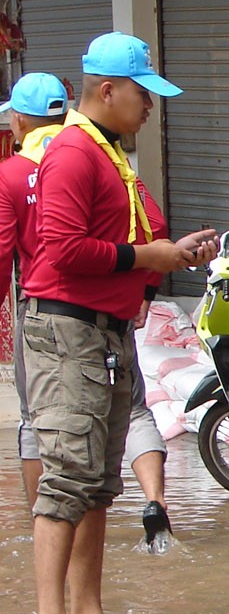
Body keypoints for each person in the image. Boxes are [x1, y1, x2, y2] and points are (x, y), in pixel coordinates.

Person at [20, 33, 217, 614]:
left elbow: (126, 241)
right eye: (143, 94)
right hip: (68, 332)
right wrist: (147, 256)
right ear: (107, 91)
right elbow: (62, 250)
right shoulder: (74, 153)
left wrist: (172, 254)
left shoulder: (108, 153)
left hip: (106, 331)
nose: (151, 107)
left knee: (99, 481)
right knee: (67, 476)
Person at [0, 73, 172, 544]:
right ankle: (155, 500)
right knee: (130, 419)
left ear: (19, 122)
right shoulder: (100, 155)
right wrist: (145, 288)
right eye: (143, 95)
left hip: (52, 320)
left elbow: (8, 254)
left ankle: (43, 530)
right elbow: (153, 224)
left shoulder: (16, 172)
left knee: (42, 429)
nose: (148, 106)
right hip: (110, 317)